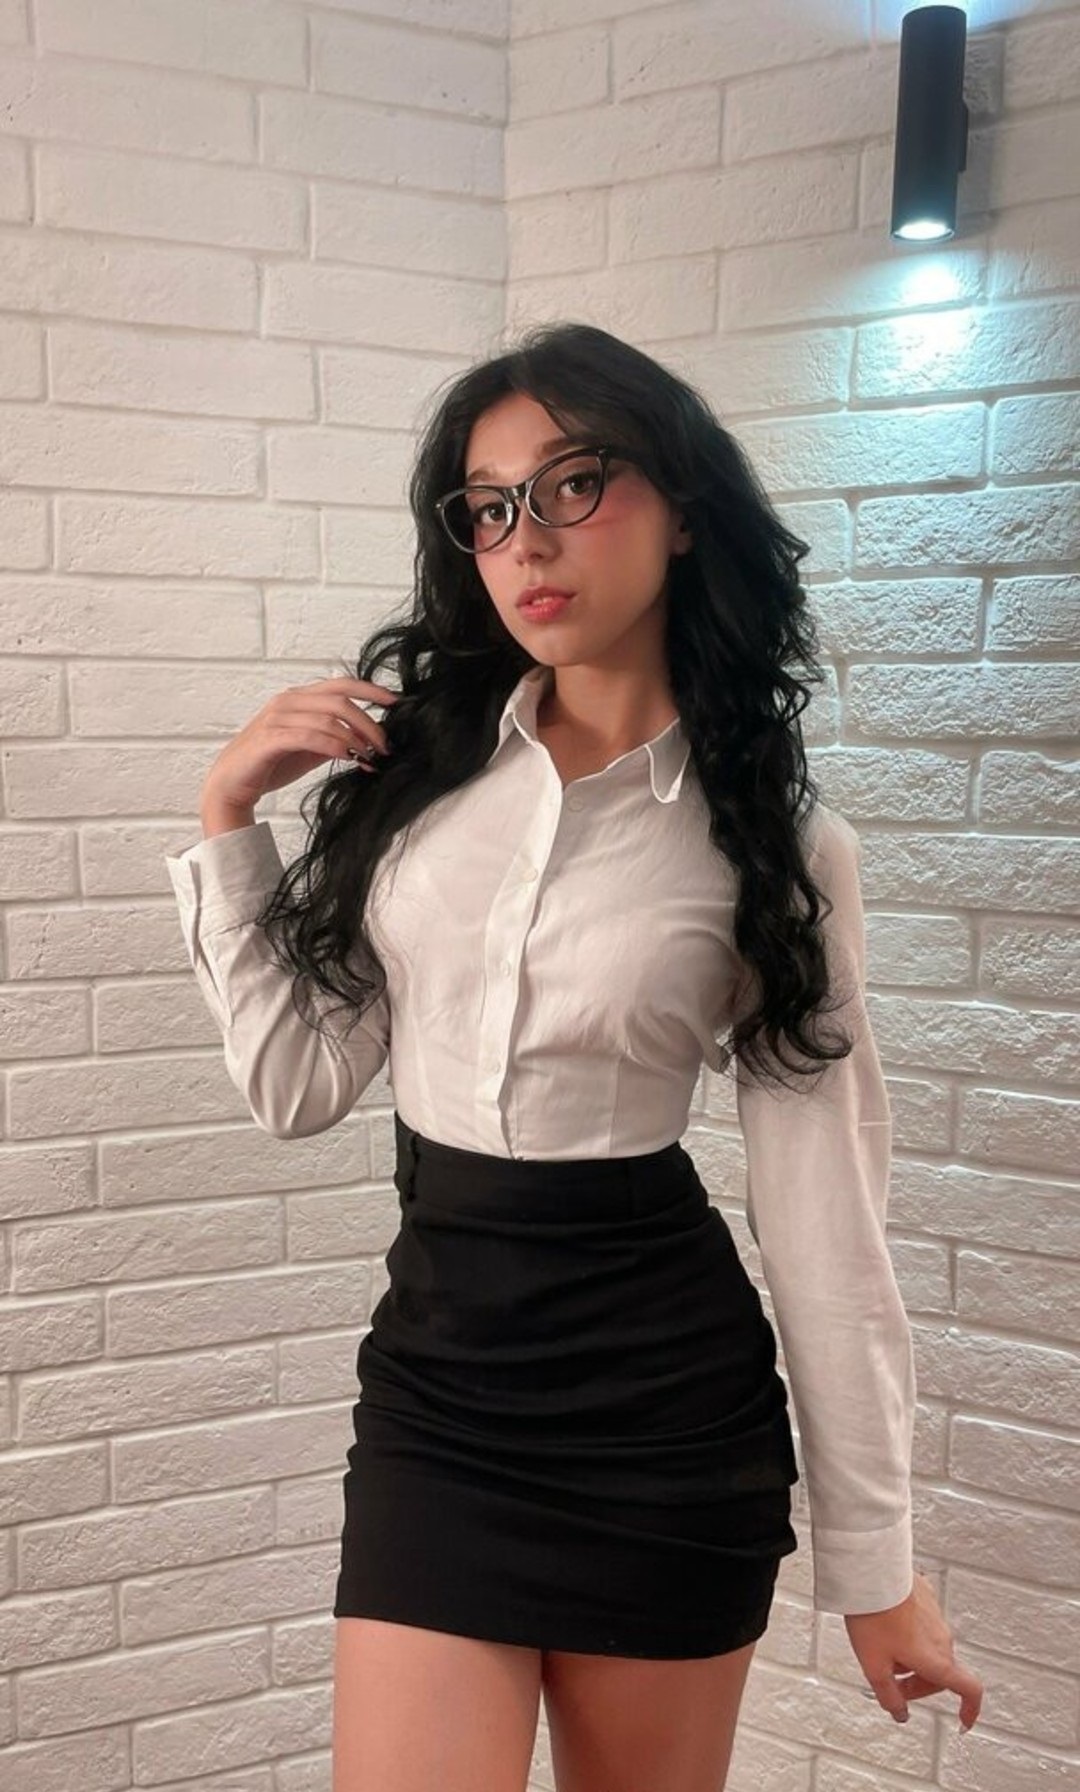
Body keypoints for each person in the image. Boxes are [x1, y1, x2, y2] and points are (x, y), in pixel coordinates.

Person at [165, 321, 983, 1792]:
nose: (526, 540)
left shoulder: (778, 848)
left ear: (682, 510)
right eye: (488, 507)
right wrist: (230, 819)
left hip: (666, 1425)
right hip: (438, 1399)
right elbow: (296, 1086)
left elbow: (824, 1218)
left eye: (574, 484)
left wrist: (879, 1567)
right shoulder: (416, 793)